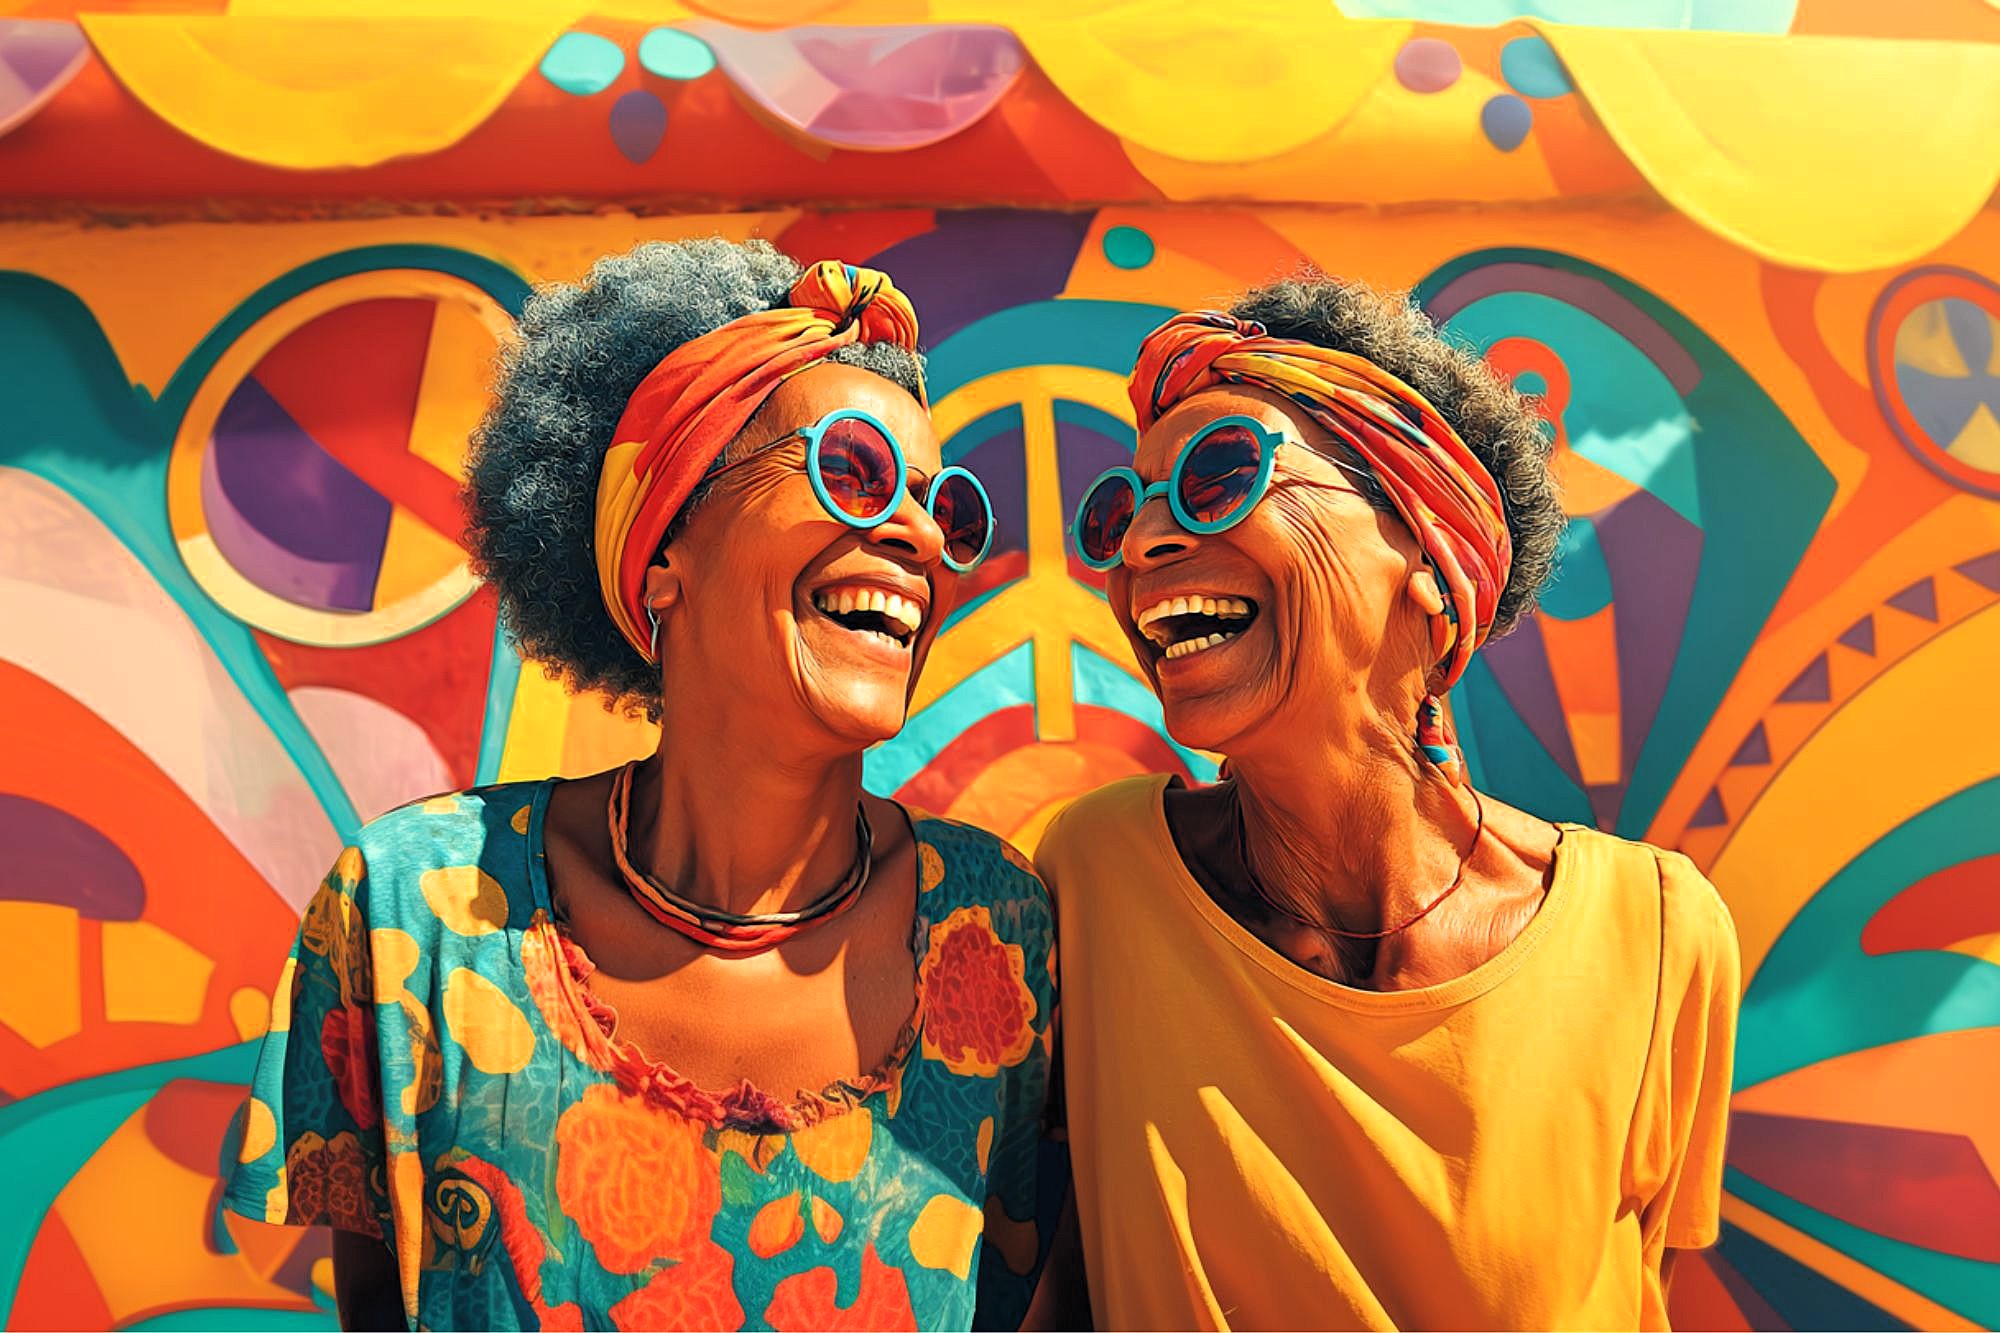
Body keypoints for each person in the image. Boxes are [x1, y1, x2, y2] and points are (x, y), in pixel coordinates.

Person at [224, 239, 1059, 1332]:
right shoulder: (414, 917)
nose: (915, 535)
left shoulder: (998, 935)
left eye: (940, 505)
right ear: (664, 550)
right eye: (849, 469)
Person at [1035, 277, 1740, 1330]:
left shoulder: (1654, 937)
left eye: (1217, 475)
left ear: (1424, 554)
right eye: (1125, 506)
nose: (1140, 544)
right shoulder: (1094, 879)